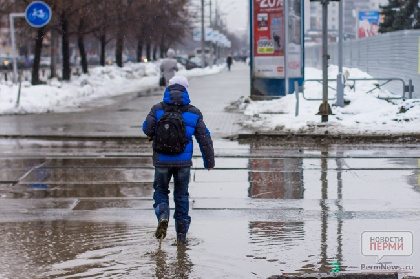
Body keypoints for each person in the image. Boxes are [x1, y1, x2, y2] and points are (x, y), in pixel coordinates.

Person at [142, 75, 215, 245]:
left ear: (168, 89)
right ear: (186, 91)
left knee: (161, 191)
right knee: (181, 196)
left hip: (161, 160)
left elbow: (147, 129)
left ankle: (163, 215)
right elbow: (205, 138)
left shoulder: (157, 108)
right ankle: (181, 237)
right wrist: (209, 162)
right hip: (183, 163)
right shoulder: (193, 112)